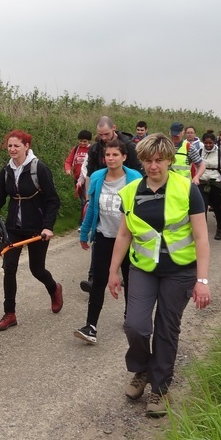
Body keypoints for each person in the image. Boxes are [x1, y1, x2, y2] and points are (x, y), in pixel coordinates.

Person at [107, 133, 211, 417]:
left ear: (168, 160)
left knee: (166, 328)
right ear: (141, 161)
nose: (153, 166)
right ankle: (141, 370)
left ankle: (160, 388)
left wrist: (202, 281)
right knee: (136, 326)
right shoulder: (130, 192)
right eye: (148, 161)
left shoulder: (187, 189)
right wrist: (113, 270)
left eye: (159, 160)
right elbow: (125, 233)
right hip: (143, 268)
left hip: (180, 271)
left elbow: (201, 237)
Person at [0, 129, 62, 331]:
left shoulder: (38, 168)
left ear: (26, 147)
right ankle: (10, 314)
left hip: (37, 227)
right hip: (14, 227)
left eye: (16, 146)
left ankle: (54, 288)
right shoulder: (6, 171)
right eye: (10, 146)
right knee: (9, 267)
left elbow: (52, 200)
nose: (12, 149)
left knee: (36, 269)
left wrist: (48, 226)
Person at [75, 140, 142, 343]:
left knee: (130, 281)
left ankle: (130, 318)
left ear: (124, 157)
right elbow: (92, 208)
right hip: (104, 237)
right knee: (98, 282)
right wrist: (84, 232)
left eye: (115, 155)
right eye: (108, 155)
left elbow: (140, 212)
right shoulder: (97, 177)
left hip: (129, 239)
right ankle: (91, 327)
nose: (111, 158)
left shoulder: (135, 179)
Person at [79, 116, 143, 293]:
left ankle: (127, 280)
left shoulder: (128, 146)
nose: (104, 138)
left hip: (124, 197)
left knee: (122, 241)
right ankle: (94, 279)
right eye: (100, 135)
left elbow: (138, 172)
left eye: (106, 134)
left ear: (114, 128)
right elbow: (90, 174)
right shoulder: (94, 148)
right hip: (102, 192)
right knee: (100, 231)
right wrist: (88, 198)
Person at [197, 133, 221, 240]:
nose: (208, 145)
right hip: (202, 182)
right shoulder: (200, 152)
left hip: (216, 182)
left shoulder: (220, 152)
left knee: (217, 207)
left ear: (215, 142)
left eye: (211, 143)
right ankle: (202, 232)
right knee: (202, 207)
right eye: (206, 143)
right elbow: (194, 166)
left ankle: (219, 229)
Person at [64, 129, 92, 229]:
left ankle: (83, 223)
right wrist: (68, 170)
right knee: (83, 201)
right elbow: (68, 161)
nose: (82, 143)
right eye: (80, 141)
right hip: (77, 179)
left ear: (89, 141)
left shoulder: (92, 150)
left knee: (86, 201)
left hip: (88, 179)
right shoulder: (76, 149)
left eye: (84, 141)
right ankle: (85, 221)